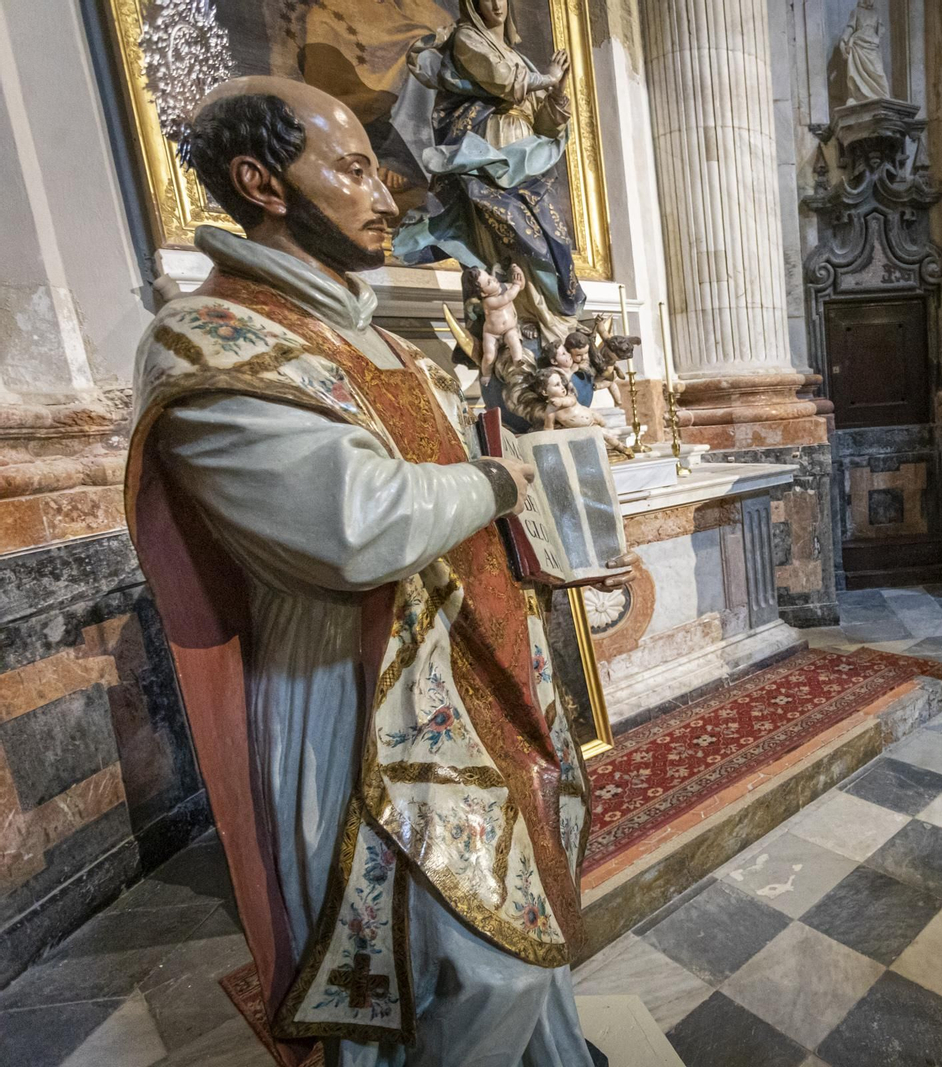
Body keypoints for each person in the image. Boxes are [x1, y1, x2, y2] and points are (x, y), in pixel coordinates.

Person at [126, 76, 625, 1067]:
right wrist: (497, 480)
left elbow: (463, 496)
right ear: (259, 180)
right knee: (467, 967)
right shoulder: (208, 339)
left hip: (472, 665)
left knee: (532, 930)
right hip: (360, 693)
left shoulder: (381, 338)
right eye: (352, 168)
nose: (385, 196)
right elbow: (348, 528)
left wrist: (546, 530)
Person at [395, 0, 585, 331]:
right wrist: (548, 76)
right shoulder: (468, 39)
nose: (496, 4)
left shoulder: (519, 57)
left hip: (527, 153)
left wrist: (557, 92)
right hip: (491, 151)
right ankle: (522, 319)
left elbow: (544, 125)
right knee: (511, 231)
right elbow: (505, 81)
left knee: (550, 235)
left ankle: (552, 325)